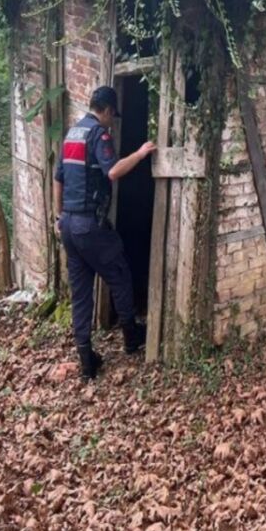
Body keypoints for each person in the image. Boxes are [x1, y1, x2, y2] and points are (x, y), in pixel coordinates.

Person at [53, 85, 157, 379]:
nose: (112, 122)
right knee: (120, 274)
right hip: (89, 225)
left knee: (81, 293)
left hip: (68, 225)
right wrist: (139, 154)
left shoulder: (72, 135)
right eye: (113, 116)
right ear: (108, 110)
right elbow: (112, 171)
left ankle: (87, 359)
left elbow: (58, 178)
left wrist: (58, 216)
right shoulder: (99, 135)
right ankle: (131, 336)